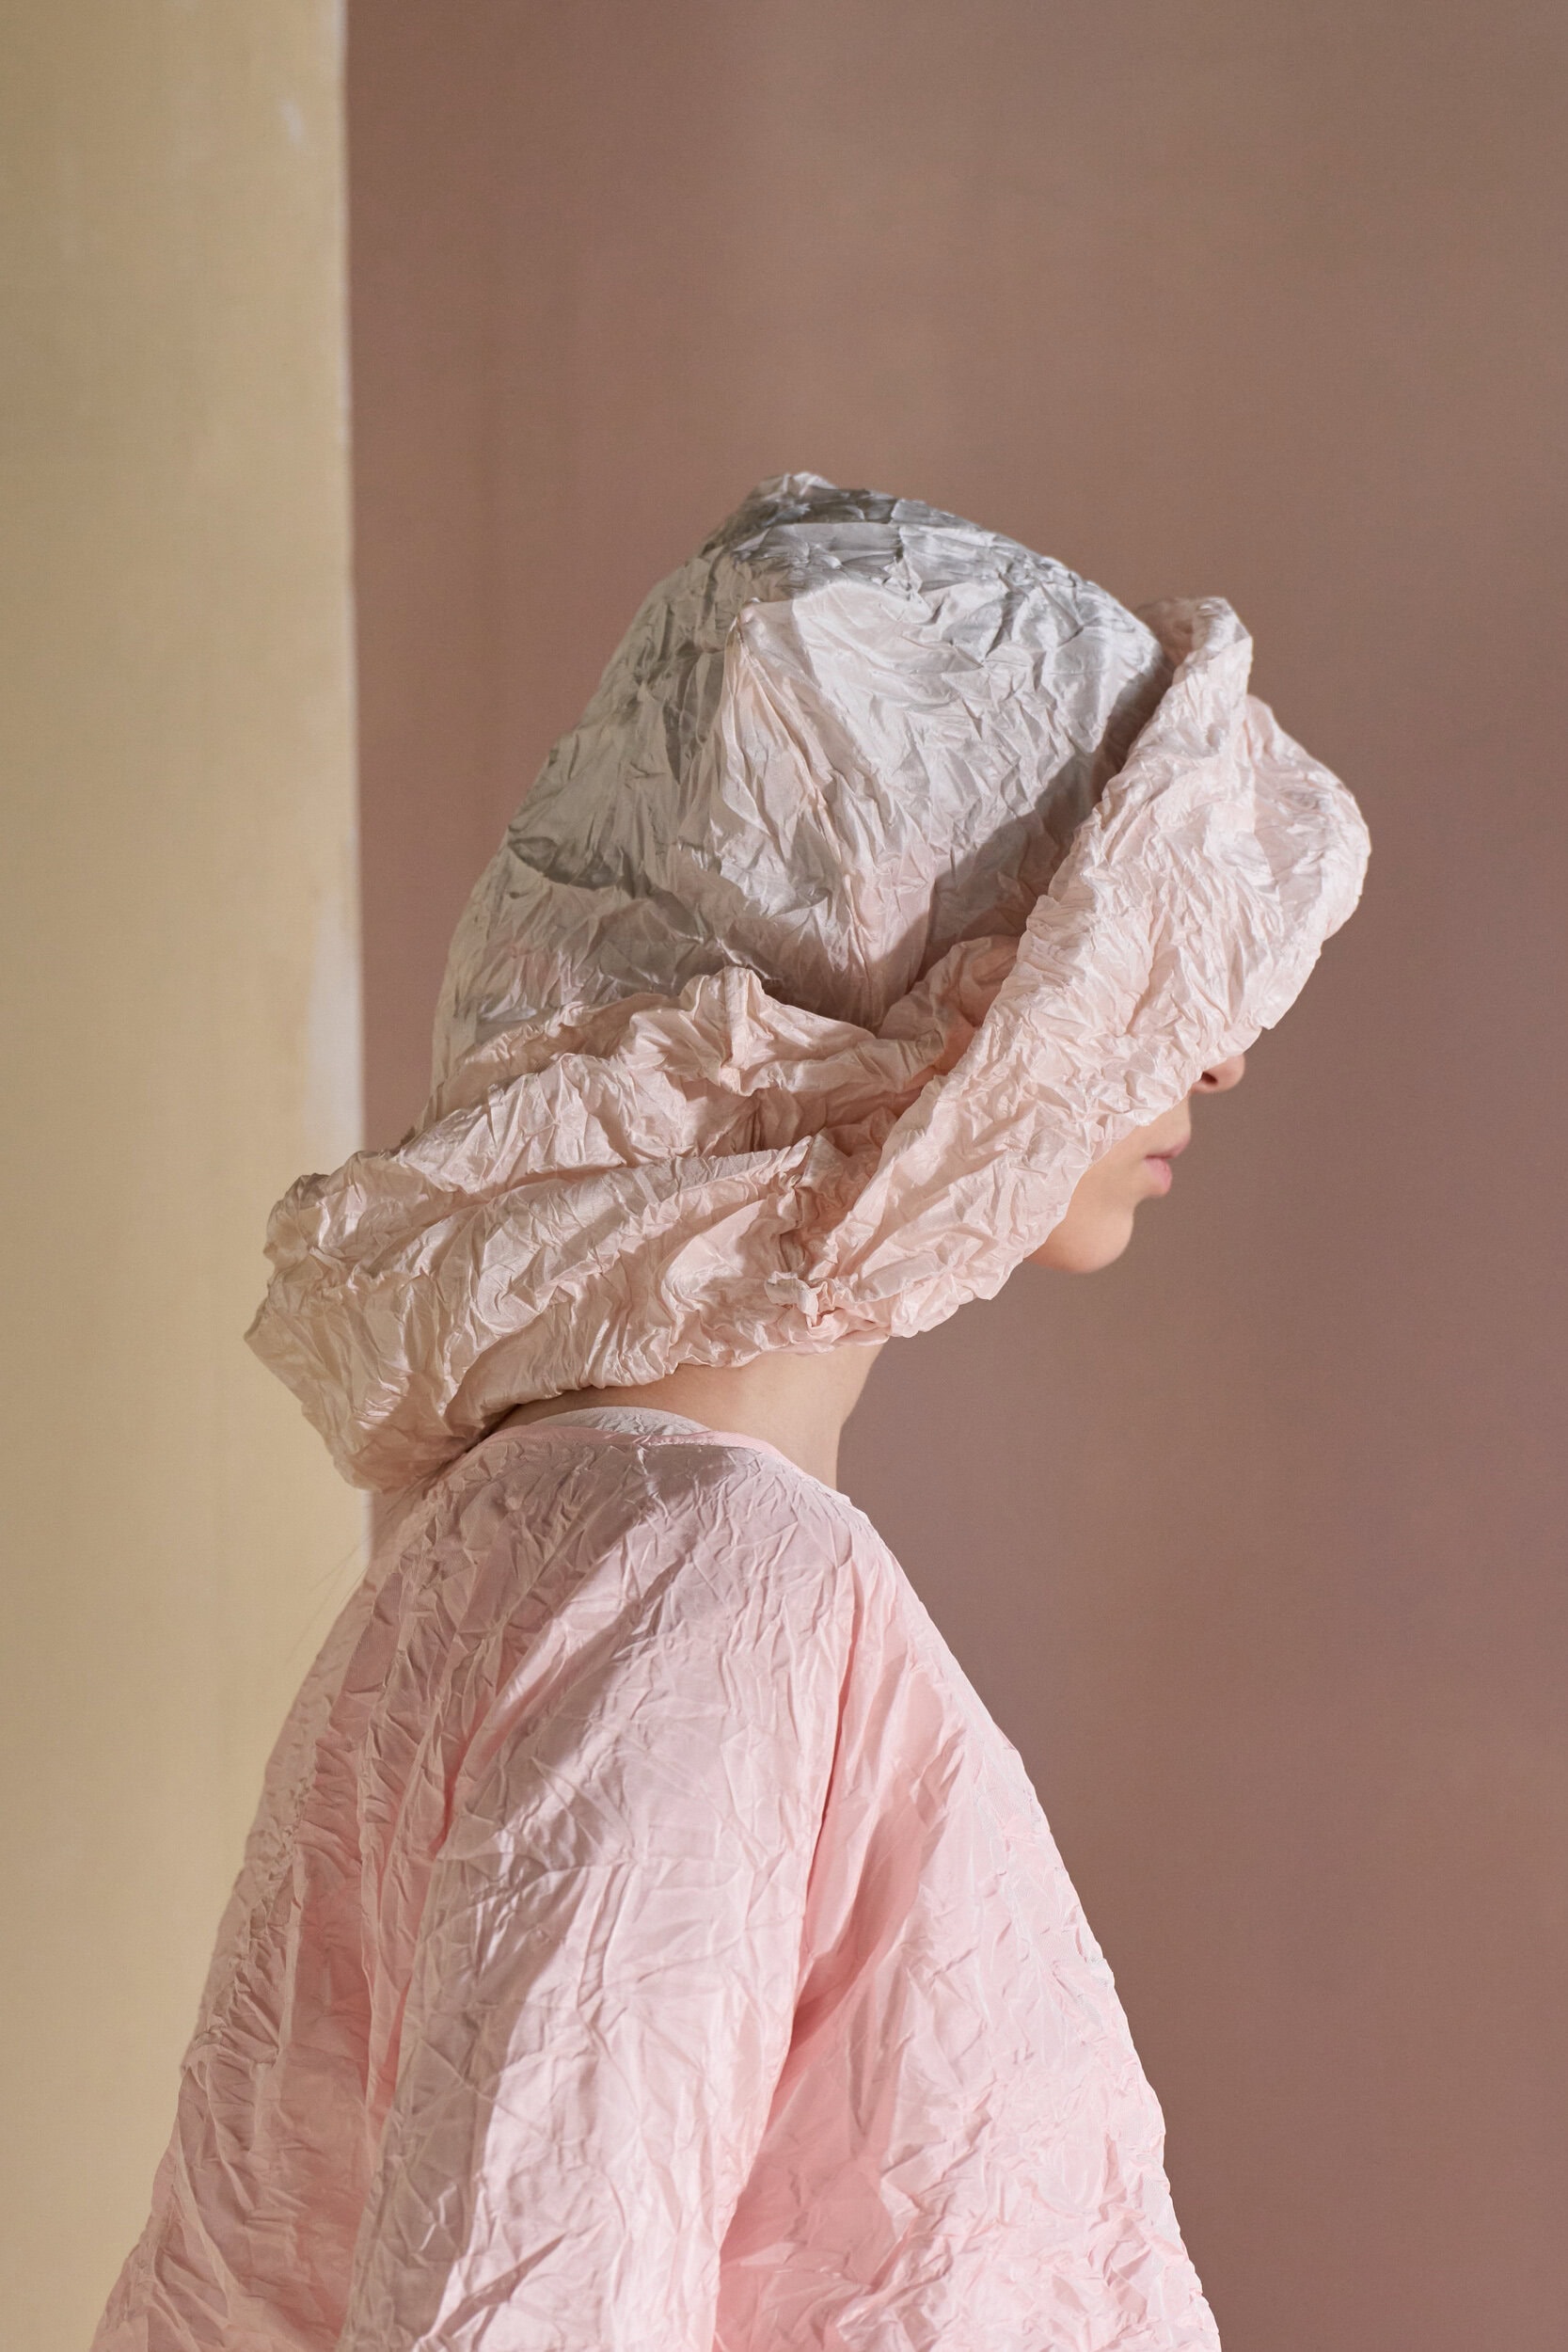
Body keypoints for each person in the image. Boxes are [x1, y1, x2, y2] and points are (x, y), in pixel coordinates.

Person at [93, 475, 1368, 2351]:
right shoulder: (708, 1580)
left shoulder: (519, 1531)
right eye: (1124, 957)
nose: (1222, 1054)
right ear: (899, 985)